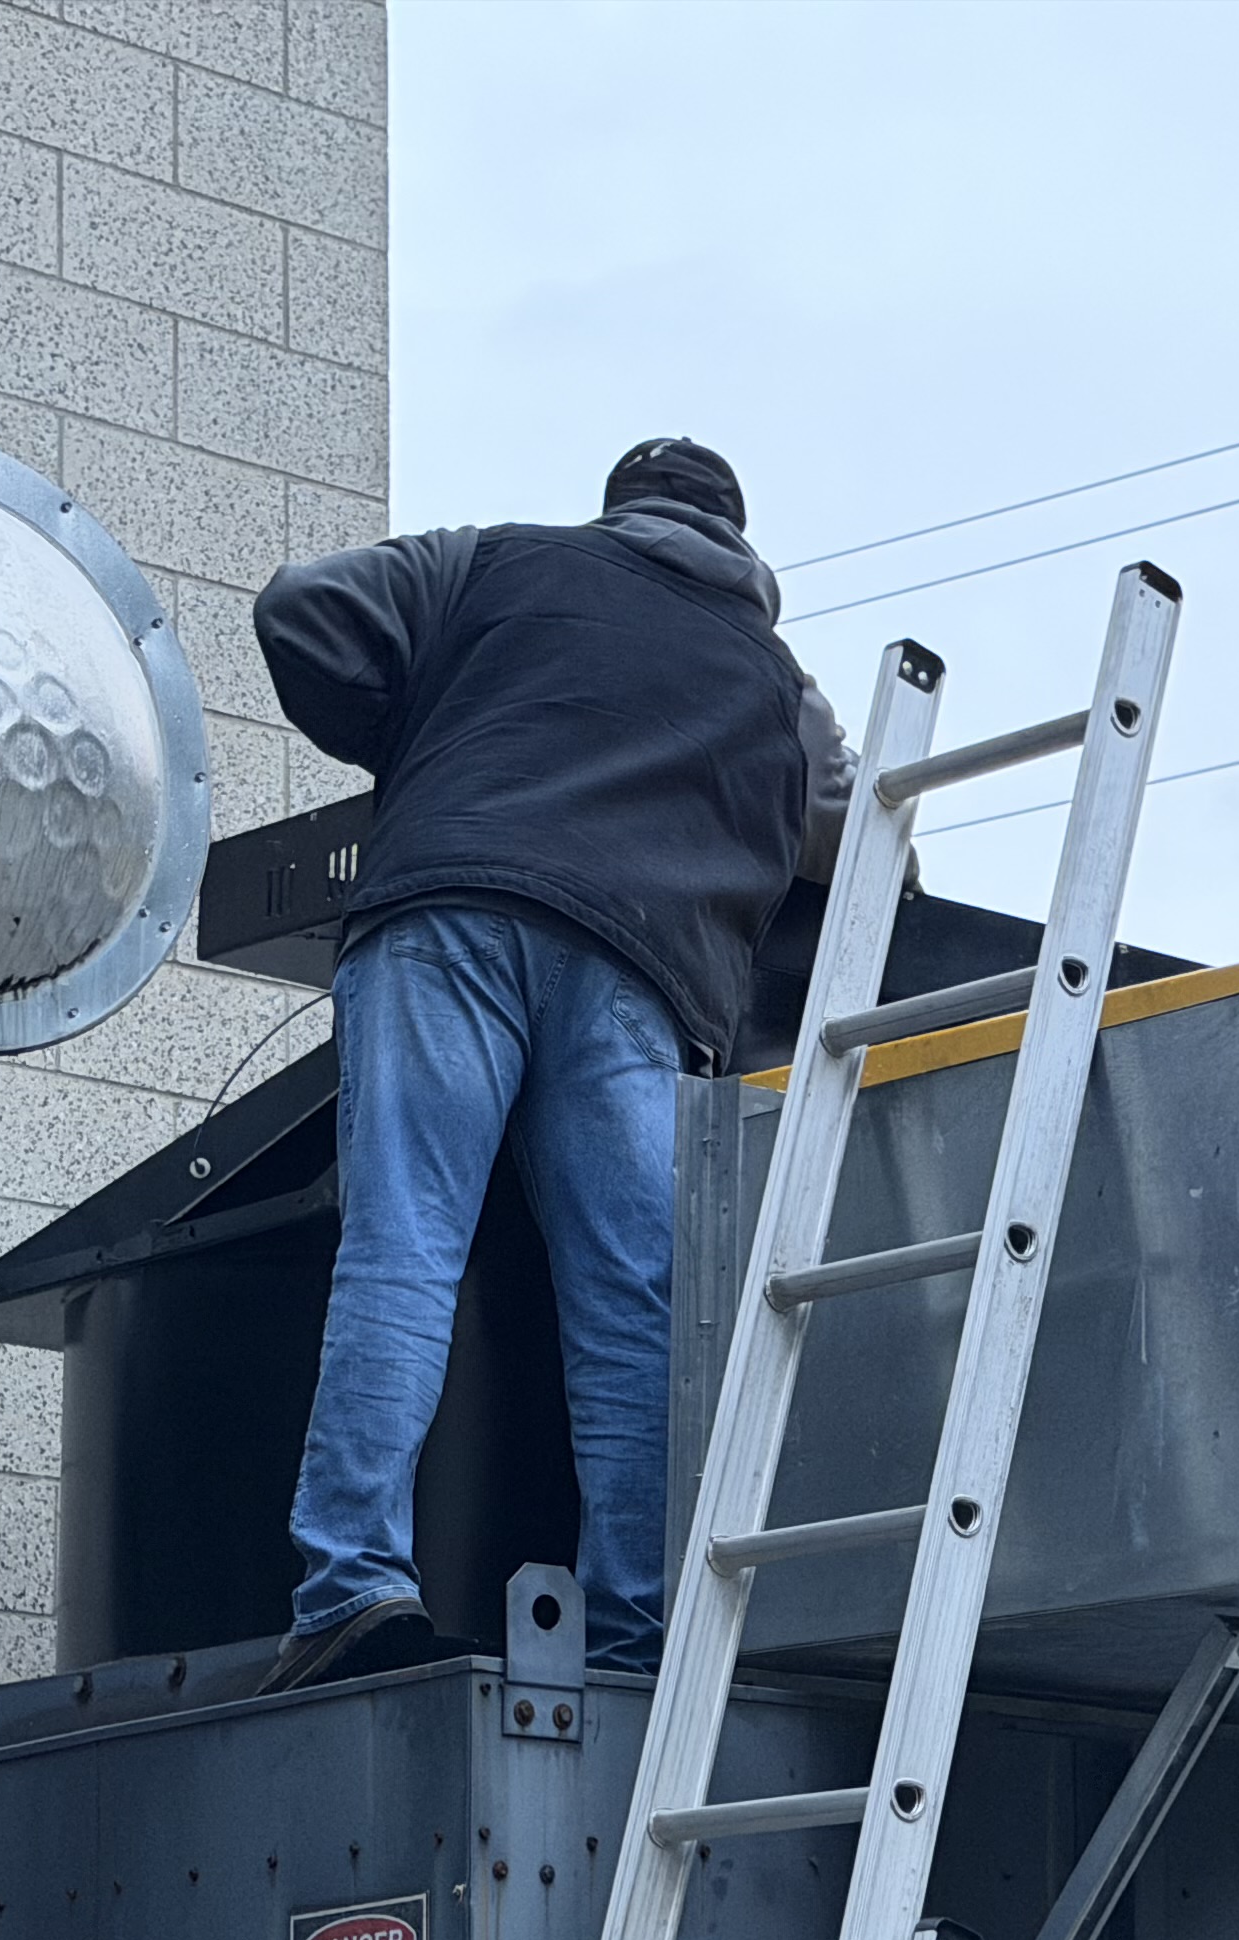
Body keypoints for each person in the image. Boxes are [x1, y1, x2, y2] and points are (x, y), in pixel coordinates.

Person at [247, 437, 852, 1693]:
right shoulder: (775, 679)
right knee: (636, 1318)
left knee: (404, 1244)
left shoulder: (499, 562)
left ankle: (354, 1585)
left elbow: (303, 608)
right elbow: (848, 826)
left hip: (449, 911)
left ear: (619, 511)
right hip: (636, 971)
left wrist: (413, 724)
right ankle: (636, 1641)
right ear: (743, 549)